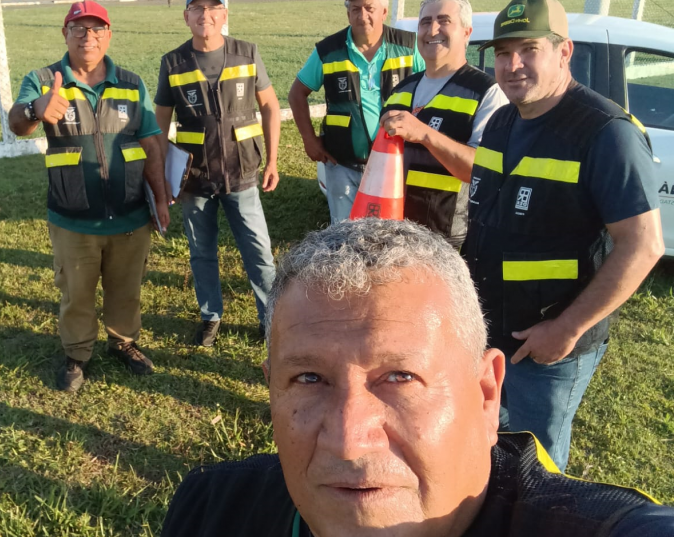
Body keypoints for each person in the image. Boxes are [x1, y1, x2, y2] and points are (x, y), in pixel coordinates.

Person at [161, 218, 674, 537]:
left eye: (399, 377)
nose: (347, 440)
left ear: (485, 393)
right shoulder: (211, 509)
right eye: (310, 379)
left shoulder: (592, 526)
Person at [464, 0, 665, 471]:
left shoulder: (604, 132)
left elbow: (644, 244)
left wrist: (566, 328)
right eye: (502, 52)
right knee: (490, 444)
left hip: (549, 346)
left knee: (538, 466)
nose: (512, 65)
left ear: (563, 51)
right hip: (489, 330)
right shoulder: (500, 122)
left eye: (528, 50)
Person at [8, 0, 170, 393]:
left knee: (126, 288)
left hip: (131, 214)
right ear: (65, 34)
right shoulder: (44, 79)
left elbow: (151, 142)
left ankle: (124, 342)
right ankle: (77, 354)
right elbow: (17, 124)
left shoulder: (131, 84)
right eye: (78, 28)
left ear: (109, 35)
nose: (88, 36)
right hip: (73, 216)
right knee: (76, 292)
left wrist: (161, 197)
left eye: (97, 29)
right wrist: (36, 107)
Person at [155, 0, 280, 346]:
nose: (205, 15)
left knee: (258, 251)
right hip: (194, 178)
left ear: (224, 14)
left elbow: (270, 106)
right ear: (186, 16)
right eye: (197, 8)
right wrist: (166, 176)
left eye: (213, 8)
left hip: (242, 173)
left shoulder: (247, 53)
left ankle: (269, 317)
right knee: (201, 252)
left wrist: (272, 159)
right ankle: (210, 316)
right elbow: (159, 125)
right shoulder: (173, 63)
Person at [379, 0, 507, 247]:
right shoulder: (400, 91)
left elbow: (484, 172)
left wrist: (425, 134)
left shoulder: (487, 92)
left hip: (451, 241)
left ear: (467, 33)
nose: (432, 29)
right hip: (395, 233)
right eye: (425, 22)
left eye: (444, 21)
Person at [288, 0, 424, 224]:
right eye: (355, 9)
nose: (363, 16)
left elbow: (433, 85)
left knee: (391, 234)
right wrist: (309, 140)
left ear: (384, 11)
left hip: (394, 164)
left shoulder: (408, 46)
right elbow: (297, 93)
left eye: (370, 8)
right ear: (348, 13)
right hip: (343, 164)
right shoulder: (328, 50)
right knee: (344, 235)